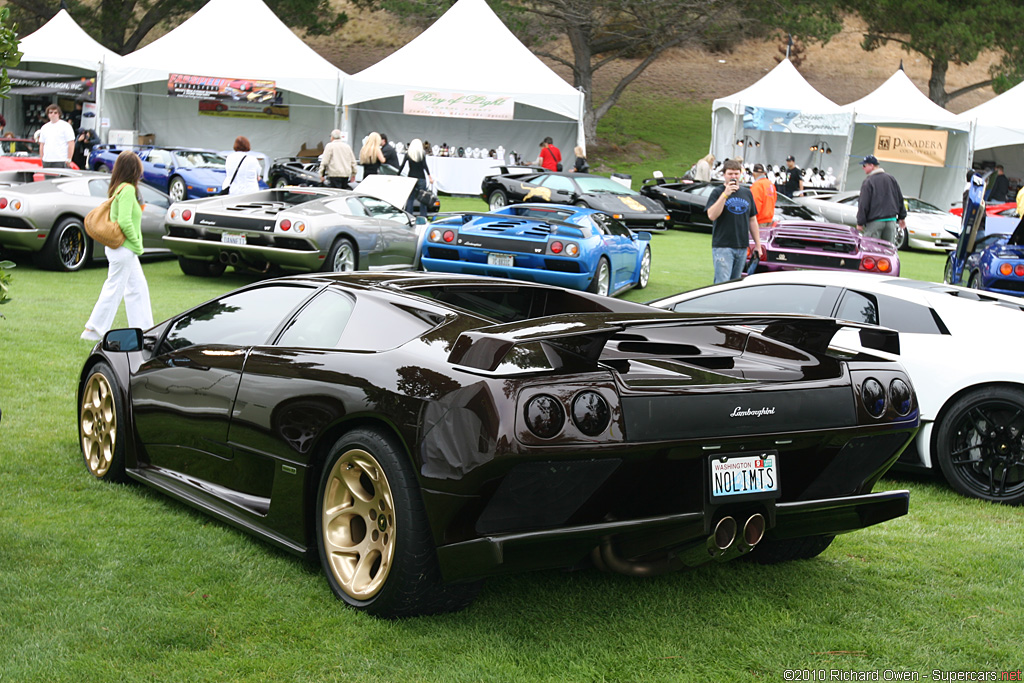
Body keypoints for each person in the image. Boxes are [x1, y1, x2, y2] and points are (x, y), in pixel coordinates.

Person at [81, 152, 153, 341]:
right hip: (125, 249)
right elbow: (125, 222)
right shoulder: (128, 190)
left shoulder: (119, 188)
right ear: (134, 170)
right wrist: (137, 245)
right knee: (115, 288)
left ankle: (144, 331)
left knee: (138, 288)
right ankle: (94, 330)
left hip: (122, 249)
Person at [706, 158, 762, 284]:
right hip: (723, 246)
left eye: (736, 173)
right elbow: (711, 215)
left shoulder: (747, 193)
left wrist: (757, 245)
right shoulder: (717, 192)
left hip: (741, 246)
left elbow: (752, 220)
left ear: (740, 174)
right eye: (730, 174)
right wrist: (725, 195)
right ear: (724, 175)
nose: (733, 176)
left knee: (735, 284)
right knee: (722, 283)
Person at [856, 155, 907, 245]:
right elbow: (899, 198)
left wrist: (860, 222)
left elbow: (863, 203)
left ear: (871, 166)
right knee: (888, 250)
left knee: (870, 249)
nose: (862, 168)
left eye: (864, 165)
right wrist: (902, 217)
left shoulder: (868, 181)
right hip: (891, 221)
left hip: (875, 222)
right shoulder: (891, 179)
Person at [399, 138, 434, 220]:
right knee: (423, 198)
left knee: (410, 199)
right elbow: (425, 166)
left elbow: (402, 165)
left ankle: (409, 216)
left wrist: (397, 174)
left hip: (411, 177)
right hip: (421, 177)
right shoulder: (422, 154)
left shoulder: (408, 154)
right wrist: (429, 176)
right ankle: (423, 216)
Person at [38, 104, 75, 168]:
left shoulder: (66, 126)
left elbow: (71, 143)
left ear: (59, 114)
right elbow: (42, 144)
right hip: (47, 161)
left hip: (61, 160)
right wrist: (42, 158)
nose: (53, 114)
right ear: (48, 114)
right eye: (51, 112)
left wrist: (69, 158)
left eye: (55, 112)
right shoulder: (44, 127)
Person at [750, 163, 777, 228]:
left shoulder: (756, 185)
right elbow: (774, 199)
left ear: (753, 174)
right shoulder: (770, 184)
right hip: (769, 220)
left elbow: (755, 204)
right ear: (764, 173)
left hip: (759, 222)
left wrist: (751, 219)